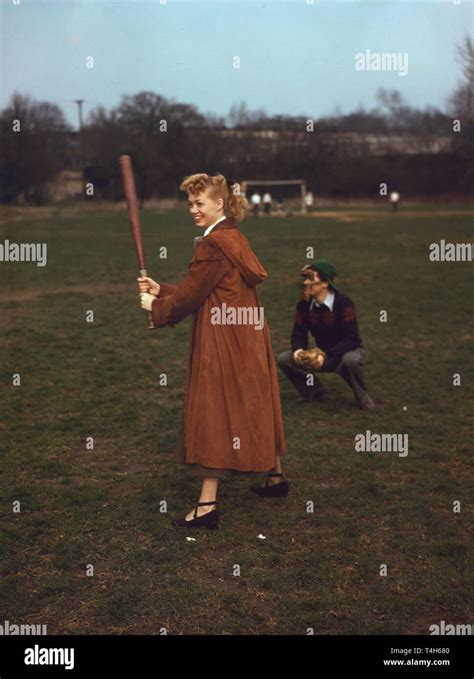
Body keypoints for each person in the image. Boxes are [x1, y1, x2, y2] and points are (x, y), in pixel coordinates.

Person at [138, 173, 288, 529]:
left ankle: (207, 506)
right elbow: (203, 288)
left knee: (215, 409)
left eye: (199, 203)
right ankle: (275, 478)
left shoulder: (212, 245)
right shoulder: (231, 237)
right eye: (190, 203)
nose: (193, 209)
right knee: (255, 398)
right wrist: (161, 289)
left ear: (219, 204)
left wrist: (154, 307)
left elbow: (190, 298)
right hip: (247, 335)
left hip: (225, 341)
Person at [277, 260, 375, 410]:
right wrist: (298, 351)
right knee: (284, 359)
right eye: (305, 279)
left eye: (311, 279)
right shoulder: (304, 305)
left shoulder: (343, 303)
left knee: (351, 361)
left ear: (325, 283)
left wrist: (325, 354)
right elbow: (298, 333)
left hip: (345, 352)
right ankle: (313, 391)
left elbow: (352, 339)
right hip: (322, 355)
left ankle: (363, 398)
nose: (306, 283)